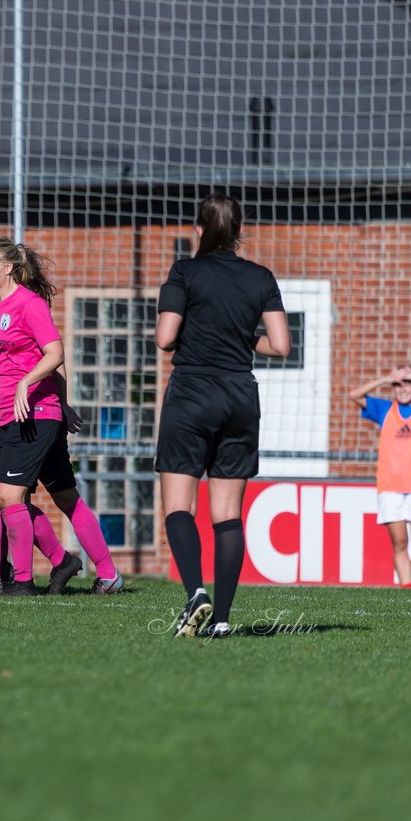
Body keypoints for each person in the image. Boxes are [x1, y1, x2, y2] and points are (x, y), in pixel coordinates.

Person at [155, 194, 291, 639]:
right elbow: (281, 345)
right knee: (228, 514)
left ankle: (196, 593)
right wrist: (242, 339)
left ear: (199, 230)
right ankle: (223, 620)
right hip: (239, 395)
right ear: (239, 232)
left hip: (193, 391)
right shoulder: (261, 277)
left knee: (179, 505)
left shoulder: (184, 271)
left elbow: (165, 338)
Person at [0, 237, 88, 597]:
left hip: (35, 411)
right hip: (4, 414)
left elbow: (55, 353)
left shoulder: (30, 305)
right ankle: (59, 563)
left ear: (8, 268)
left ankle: (22, 582)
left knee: (12, 497)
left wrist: (25, 383)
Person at [349, 366, 411, 587]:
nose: (402, 389)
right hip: (390, 486)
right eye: (398, 385)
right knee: (400, 543)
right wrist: (385, 379)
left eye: (407, 384)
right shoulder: (385, 409)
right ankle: (408, 592)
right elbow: (354, 395)